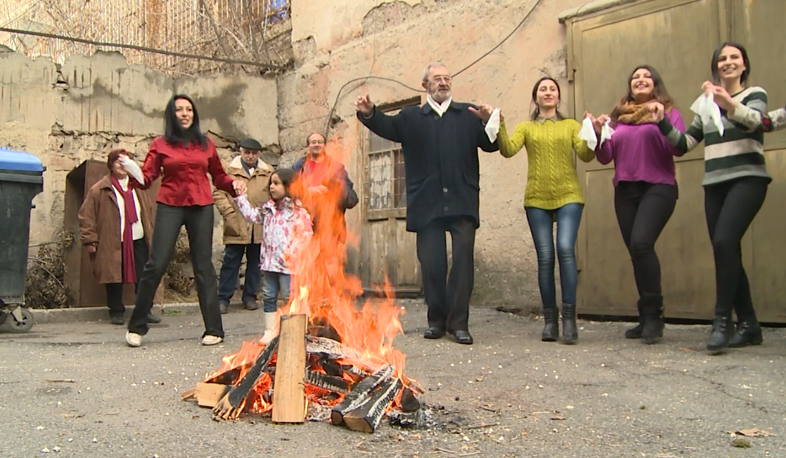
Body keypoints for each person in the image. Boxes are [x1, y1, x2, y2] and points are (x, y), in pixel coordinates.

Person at [355, 62, 499, 345]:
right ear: (425, 86)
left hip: (462, 199)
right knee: (431, 265)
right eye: (437, 79)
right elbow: (387, 125)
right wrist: (370, 112)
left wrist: (490, 120)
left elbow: (491, 144)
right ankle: (436, 321)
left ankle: (459, 324)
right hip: (427, 201)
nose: (443, 83)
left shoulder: (467, 114)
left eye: (447, 78)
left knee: (462, 263)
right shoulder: (411, 117)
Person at [655, 43, 770, 353]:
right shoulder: (707, 103)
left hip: (748, 179)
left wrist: (728, 102)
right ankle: (749, 324)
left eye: (734, 58)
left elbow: (758, 122)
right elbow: (685, 143)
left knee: (724, 243)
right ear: (716, 67)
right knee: (726, 249)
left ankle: (722, 321)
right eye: (722, 59)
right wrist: (662, 120)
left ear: (744, 65)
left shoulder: (754, 95)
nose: (728, 62)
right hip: (714, 183)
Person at [122, 94, 247, 347]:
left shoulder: (206, 144)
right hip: (170, 204)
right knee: (156, 263)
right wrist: (132, 170)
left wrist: (235, 184)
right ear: (172, 115)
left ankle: (214, 330)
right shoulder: (160, 144)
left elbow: (219, 177)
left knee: (204, 267)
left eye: (189, 109)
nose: (185, 113)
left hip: (201, 205)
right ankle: (136, 326)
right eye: (179, 109)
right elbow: (147, 178)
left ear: (194, 114)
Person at [490, 76, 595, 344]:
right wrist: (500, 124)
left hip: (569, 195)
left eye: (552, 89)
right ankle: (550, 322)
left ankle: (569, 321)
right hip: (536, 198)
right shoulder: (526, 127)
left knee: (565, 250)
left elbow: (585, 154)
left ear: (558, 96)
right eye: (543, 89)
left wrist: (592, 131)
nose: (548, 93)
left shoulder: (571, 125)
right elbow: (508, 150)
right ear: (536, 97)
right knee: (545, 257)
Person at [587, 65, 686, 344]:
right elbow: (605, 157)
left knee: (642, 243)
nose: (640, 80)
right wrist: (597, 133)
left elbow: (679, 147)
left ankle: (655, 315)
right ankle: (646, 318)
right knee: (636, 251)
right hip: (625, 191)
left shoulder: (666, 111)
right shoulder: (619, 118)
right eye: (635, 77)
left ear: (655, 84)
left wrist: (662, 121)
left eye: (646, 77)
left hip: (658, 187)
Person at [77, 149, 159, 325]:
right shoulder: (100, 189)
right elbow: (86, 216)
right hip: (113, 239)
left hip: (138, 238)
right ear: (111, 165)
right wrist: (90, 240)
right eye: (118, 161)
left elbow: (148, 211)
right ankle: (116, 311)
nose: (122, 166)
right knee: (114, 276)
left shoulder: (138, 186)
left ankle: (145, 310)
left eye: (126, 162)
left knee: (144, 275)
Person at [234, 168, 312, 344]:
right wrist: (241, 199)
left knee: (288, 296)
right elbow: (252, 216)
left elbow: (306, 235)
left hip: (289, 266)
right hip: (269, 264)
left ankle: (295, 329)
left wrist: (293, 253)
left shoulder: (297, 212)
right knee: (269, 295)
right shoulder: (267, 209)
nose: (272, 187)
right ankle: (270, 330)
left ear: (288, 186)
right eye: (271, 183)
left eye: (276, 183)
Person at [214, 138, 273, 314]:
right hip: (236, 222)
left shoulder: (267, 172)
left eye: (253, 153)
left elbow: (273, 193)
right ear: (241, 152)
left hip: (258, 225)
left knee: (255, 263)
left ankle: (249, 296)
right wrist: (228, 213)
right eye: (246, 152)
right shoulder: (230, 170)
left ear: (258, 154)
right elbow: (218, 192)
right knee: (231, 261)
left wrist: (267, 214)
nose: (250, 156)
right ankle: (223, 298)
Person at [292, 132, 358, 240]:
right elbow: (290, 190)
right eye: (313, 142)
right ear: (308, 146)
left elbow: (350, 199)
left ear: (324, 145)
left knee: (330, 255)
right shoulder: (299, 167)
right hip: (305, 222)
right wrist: (307, 191)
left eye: (320, 142)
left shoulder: (336, 167)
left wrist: (330, 190)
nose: (316, 145)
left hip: (330, 223)